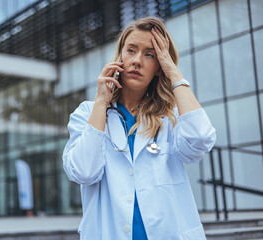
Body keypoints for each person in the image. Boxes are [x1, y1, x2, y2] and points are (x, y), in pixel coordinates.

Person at [62, 17, 216, 240]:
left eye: (149, 54)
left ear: (159, 66)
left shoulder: (170, 118)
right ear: (120, 57)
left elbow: (200, 139)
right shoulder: (88, 114)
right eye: (131, 50)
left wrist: (174, 74)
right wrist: (101, 102)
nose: (137, 61)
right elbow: (84, 172)